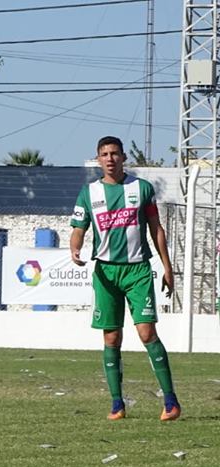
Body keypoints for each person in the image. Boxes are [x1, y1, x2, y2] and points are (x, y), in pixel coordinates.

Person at [70, 135, 180, 421]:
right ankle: (117, 404)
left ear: (123, 158)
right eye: (104, 154)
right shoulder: (88, 193)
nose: (110, 158)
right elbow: (79, 227)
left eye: (115, 153)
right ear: (98, 159)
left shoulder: (141, 188)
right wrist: (74, 246)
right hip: (106, 271)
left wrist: (167, 267)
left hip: (137, 270)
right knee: (112, 337)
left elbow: (156, 229)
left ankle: (170, 401)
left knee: (147, 333)